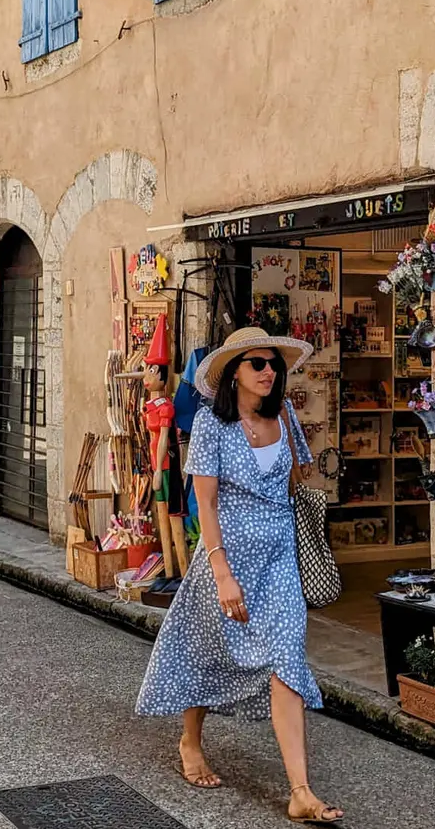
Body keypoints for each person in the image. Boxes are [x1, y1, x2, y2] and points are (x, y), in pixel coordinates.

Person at [134, 328, 342, 825]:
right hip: (226, 561)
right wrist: (223, 573)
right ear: (234, 373)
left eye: (273, 364)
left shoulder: (286, 414)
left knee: (287, 659)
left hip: (281, 562)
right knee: (208, 650)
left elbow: (298, 478)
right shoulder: (211, 425)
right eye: (257, 364)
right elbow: (204, 504)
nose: (269, 372)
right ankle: (190, 740)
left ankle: (300, 790)